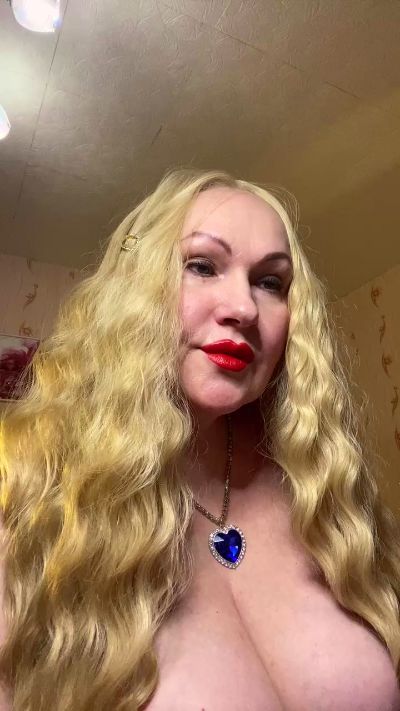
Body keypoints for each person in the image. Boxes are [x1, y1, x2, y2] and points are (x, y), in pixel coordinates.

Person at [0, 167, 399, 710]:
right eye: (203, 266)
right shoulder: (29, 500)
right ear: (134, 292)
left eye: (271, 282)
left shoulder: (326, 493)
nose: (244, 308)